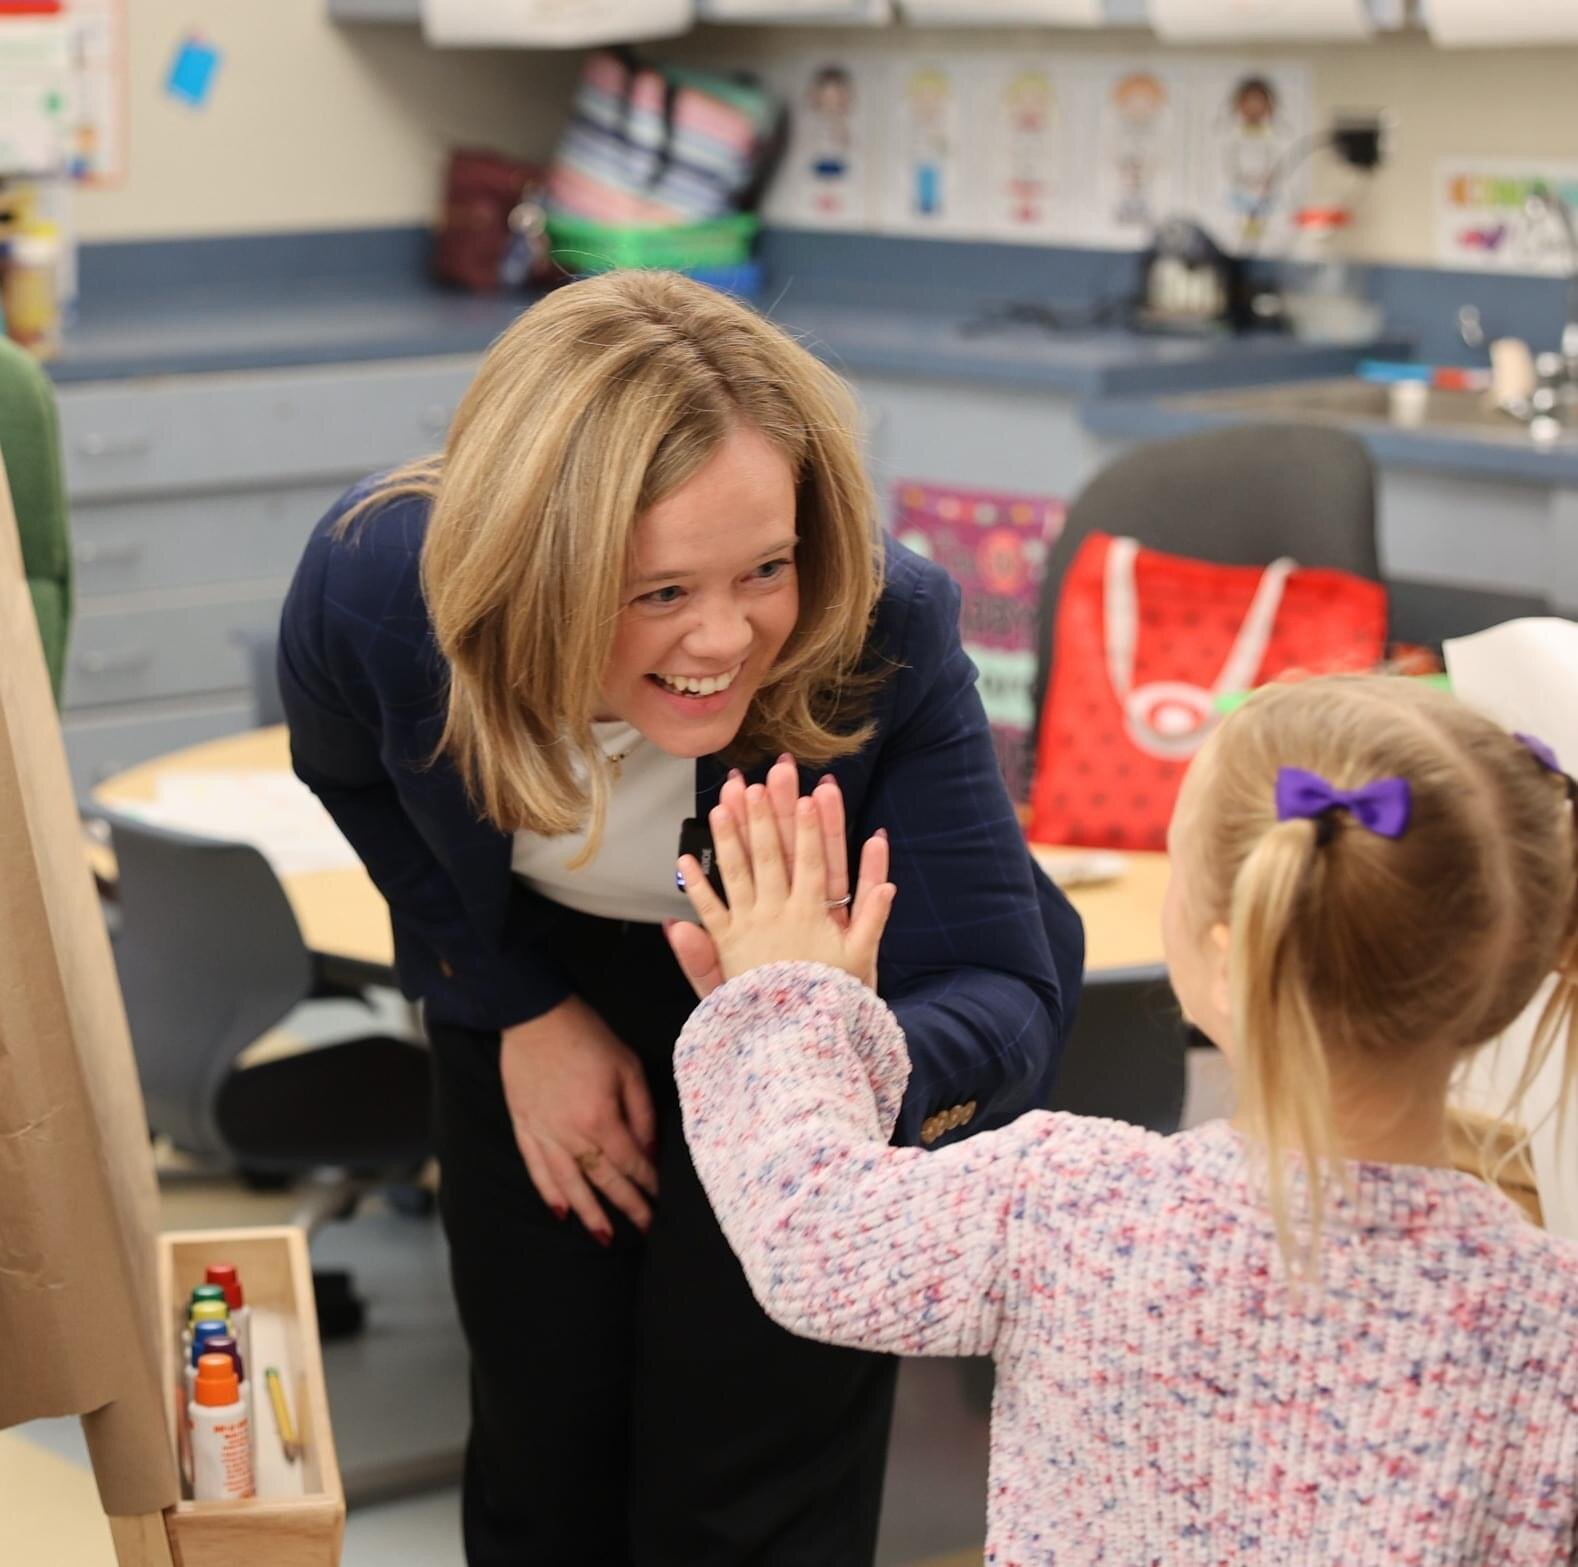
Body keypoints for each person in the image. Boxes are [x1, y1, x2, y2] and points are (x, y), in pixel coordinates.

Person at [276, 269, 1084, 1566]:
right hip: (538, 970)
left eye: (766, 566)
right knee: (542, 1453)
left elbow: (1006, 986)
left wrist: (810, 1061)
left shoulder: (883, 619)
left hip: (806, 1022)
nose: (725, 635)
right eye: (657, 592)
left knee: (743, 1487)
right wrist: (512, 1003)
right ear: (527, 566)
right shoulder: (380, 585)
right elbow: (349, 772)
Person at [673, 674, 1578, 1564]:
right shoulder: (1551, 1320)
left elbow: (812, 1228)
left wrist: (788, 1002)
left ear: (1229, 961)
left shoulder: (1070, 1205)